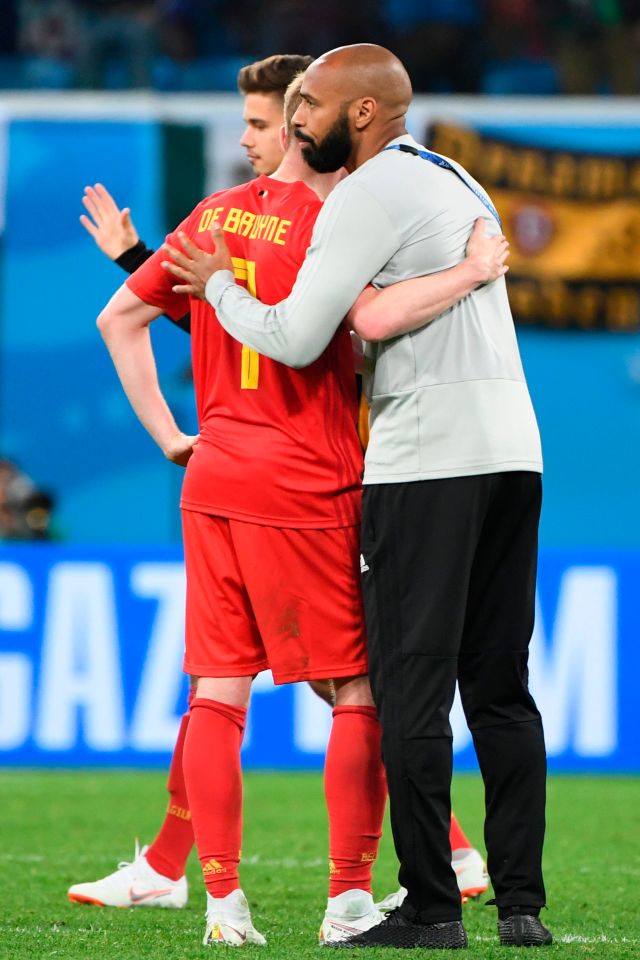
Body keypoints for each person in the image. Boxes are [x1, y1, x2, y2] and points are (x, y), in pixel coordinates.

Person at [93, 70, 509, 948]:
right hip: (309, 483)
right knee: (359, 688)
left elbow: (121, 321)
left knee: (215, 691)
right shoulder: (340, 222)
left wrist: (174, 436)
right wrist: (473, 272)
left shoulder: (210, 217)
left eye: (260, 121)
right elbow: (351, 324)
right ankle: (351, 897)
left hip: (213, 479)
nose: (252, 135)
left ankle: (216, 902)